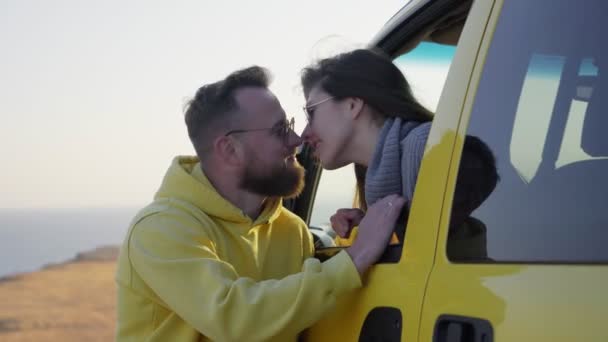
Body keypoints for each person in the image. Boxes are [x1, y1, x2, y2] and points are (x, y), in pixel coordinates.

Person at [115, 65, 406, 341]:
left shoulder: (292, 230)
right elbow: (235, 319)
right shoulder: (160, 229)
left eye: (290, 124)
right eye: (280, 129)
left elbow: (311, 309)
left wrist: (363, 233)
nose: (296, 139)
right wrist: (355, 257)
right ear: (230, 150)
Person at [300, 48, 432, 240]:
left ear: (352, 105)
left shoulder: (424, 148)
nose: (303, 134)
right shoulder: (402, 165)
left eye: (311, 112)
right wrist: (372, 225)